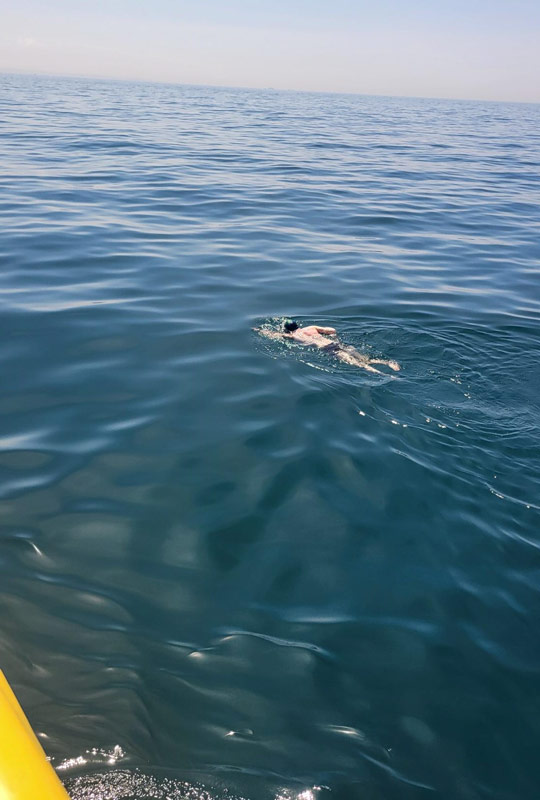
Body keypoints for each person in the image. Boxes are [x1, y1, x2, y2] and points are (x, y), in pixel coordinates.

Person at [255, 320, 400, 374]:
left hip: (329, 350)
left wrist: (258, 330)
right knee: (366, 360)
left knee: (361, 366)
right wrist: (333, 337)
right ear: (297, 325)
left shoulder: (293, 336)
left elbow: (273, 334)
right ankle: (387, 362)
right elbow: (332, 330)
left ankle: (386, 376)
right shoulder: (311, 328)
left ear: (287, 330)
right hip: (338, 344)